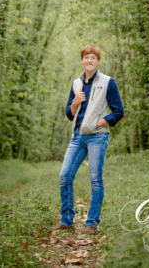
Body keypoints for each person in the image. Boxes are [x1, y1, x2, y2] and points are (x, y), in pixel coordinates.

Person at [54, 45, 124, 235]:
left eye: (93, 57)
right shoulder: (76, 83)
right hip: (77, 137)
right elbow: (69, 114)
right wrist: (75, 102)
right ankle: (67, 220)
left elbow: (118, 111)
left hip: (97, 137)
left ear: (98, 61)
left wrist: (102, 121)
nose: (90, 60)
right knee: (64, 176)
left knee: (95, 179)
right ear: (82, 60)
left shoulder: (108, 82)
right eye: (86, 57)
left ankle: (91, 223)